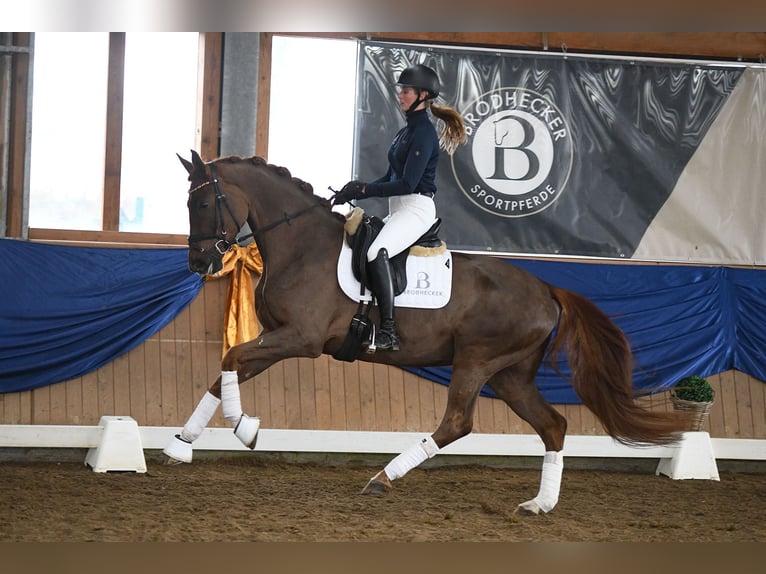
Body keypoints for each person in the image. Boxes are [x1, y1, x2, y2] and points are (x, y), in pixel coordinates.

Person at [333, 63, 466, 351]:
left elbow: (408, 183)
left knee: (374, 251)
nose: (401, 95)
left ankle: (389, 331)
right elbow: (391, 177)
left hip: (416, 209)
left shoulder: (423, 135)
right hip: (400, 208)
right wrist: (356, 189)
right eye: (402, 90)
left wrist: (366, 189)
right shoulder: (405, 132)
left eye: (406, 91)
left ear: (422, 95)